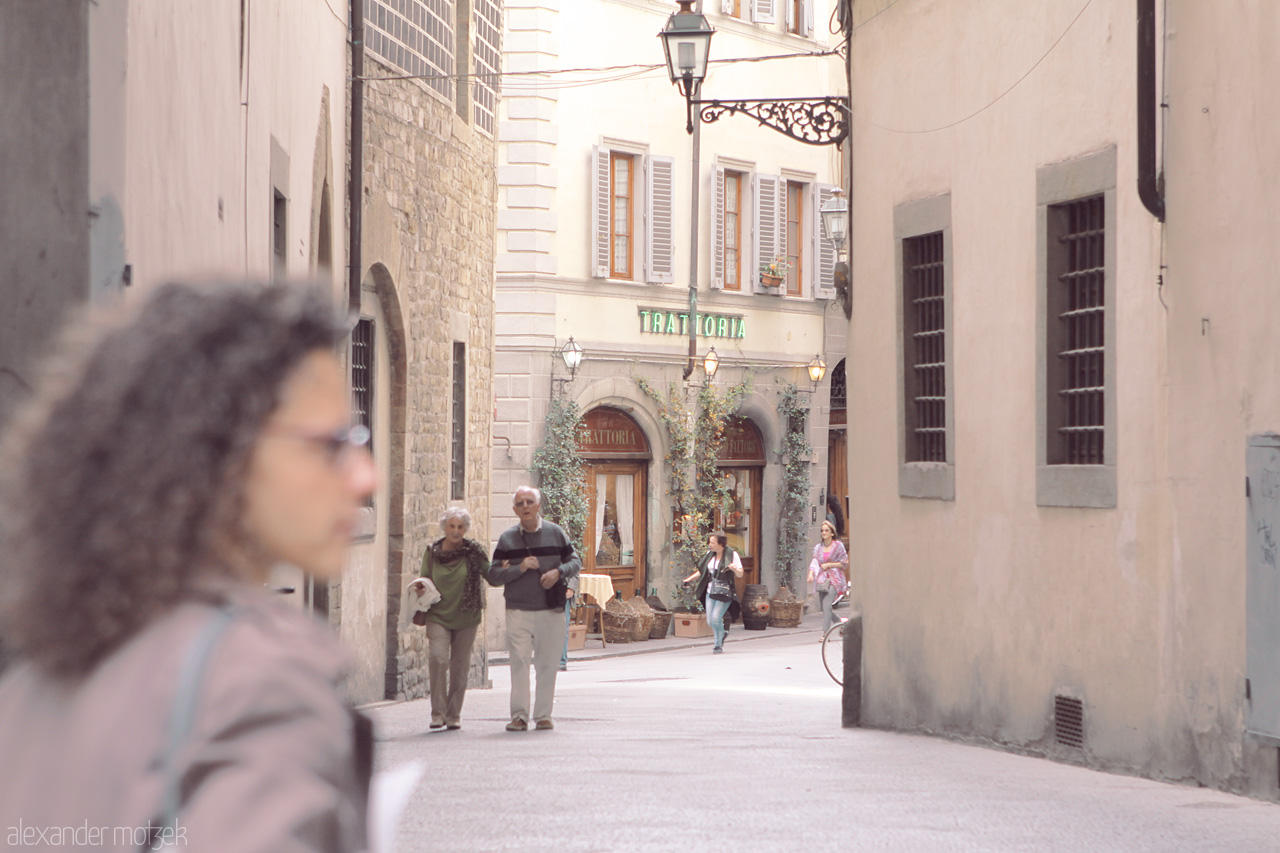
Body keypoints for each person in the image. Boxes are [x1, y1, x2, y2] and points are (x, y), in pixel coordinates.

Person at [0, 282, 376, 851]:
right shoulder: (258, 683)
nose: (363, 476)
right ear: (217, 451)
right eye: (332, 444)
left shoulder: (33, 683)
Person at [488, 487, 581, 731]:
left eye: (530, 502)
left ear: (539, 505)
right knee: (518, 662)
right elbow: (493, 575)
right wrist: (519, 568)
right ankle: (519, 716)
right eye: (520, 503)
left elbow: (575, 562)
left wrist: (557, 572)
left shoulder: (556, 533)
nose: (526, 506)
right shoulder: (507, 539)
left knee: (547, 664)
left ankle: (543, 716)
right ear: (514, 510)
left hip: (550, 610)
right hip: (518, 609)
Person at [414, 506, 488, 731]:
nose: (456, 531)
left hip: (466, 615)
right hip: (438, 614)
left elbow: (491, 573)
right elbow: (424, 578)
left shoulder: (474, 552)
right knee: (438, 658)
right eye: (452, 526)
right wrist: (420, 588)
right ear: (444, 528)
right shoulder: (432, 551)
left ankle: (453, 714)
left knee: (459, 666)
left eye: (460, 527)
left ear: (465, 529)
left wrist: (510, 570)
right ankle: (438, 713)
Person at [682, 532, 744, 654]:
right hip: (710, 591)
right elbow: (703, 572)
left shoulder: (732, 554)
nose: (709, 545)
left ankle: (717, 644)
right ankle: (723, 633)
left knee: (716, 618)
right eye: (710, 542)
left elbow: (740, 574)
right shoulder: (709, 555)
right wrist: (689, 579)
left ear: (721, 544)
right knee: (710, 621)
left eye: (712, 542)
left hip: (724, 592)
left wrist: (734, 568)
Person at [808, 519, 850, 632]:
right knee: (824, 607)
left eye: (826, 530)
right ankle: (842, 624)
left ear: (832, 533)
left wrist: (830, 564)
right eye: (822, 530)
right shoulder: (818, 547)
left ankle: (825, 633)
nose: (823, 533)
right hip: (822, 580)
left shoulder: (838, 546)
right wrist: (811, 574)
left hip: (835, 579)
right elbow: (815, 561)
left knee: (827, 603)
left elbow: (844, 562)